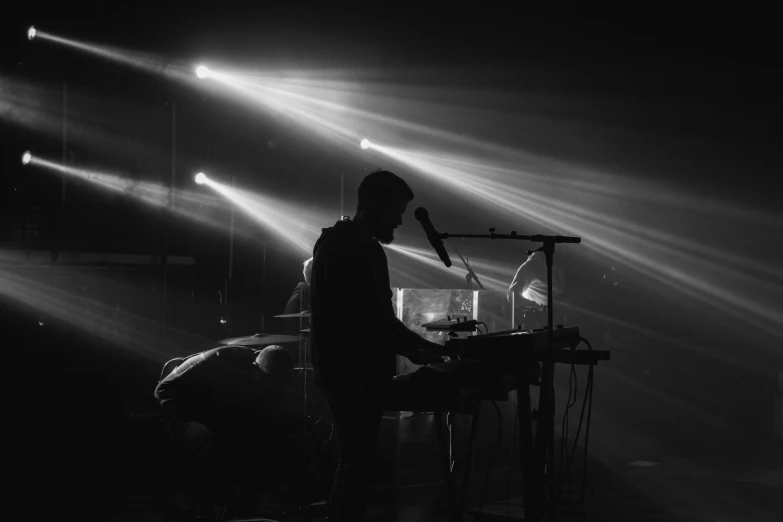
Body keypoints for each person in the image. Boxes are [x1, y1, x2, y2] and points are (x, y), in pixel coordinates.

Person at [310, 169, 443, 521]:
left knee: (355, 468)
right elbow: (375, 320)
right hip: (354, 378)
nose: (400, 221)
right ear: (375, 205)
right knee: (355, 470)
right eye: (397, 211)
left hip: (344, 374)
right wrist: (425, 350)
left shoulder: (334, 241)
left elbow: (373, 319)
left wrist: (418, 348)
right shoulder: (359, 249)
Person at [154, 345, 300, 519]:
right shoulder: (216, 360)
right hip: (180, 417)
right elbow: (162, 390)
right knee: (211, 444)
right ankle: (205, 508)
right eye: (268, 380)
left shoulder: (265, 375)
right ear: (255, 366)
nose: (271, 386)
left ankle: (238, 509)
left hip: (217, 419)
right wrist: (208, 417)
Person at [506, 251, 566, 330]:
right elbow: (512, 295)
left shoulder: (556, 265)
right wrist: (537, 307)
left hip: (557, 325)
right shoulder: (530, 266)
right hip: (539, 327)